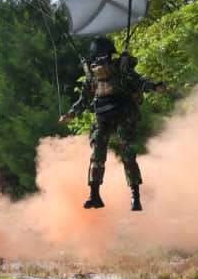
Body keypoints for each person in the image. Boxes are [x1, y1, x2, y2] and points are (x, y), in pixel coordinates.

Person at [60, 35, 162, 211]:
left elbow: (139, 81)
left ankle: (135, 197)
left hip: (123, 114)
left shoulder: (121, 70)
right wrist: (70, 114)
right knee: (97, 153)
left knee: (128, 154)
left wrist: (154, 86)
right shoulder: (92, 77)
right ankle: (94, 195)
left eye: (103, 56)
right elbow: (83, 100)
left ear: (109, 56)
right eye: (97, 56)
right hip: (103, 117)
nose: (100, 60)